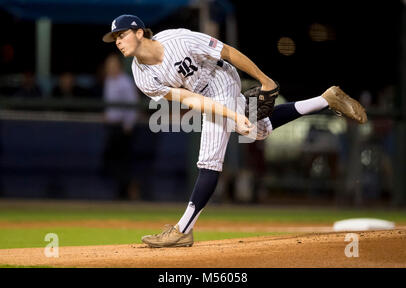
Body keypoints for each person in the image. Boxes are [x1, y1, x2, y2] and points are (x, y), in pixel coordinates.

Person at [102, 14, 367, 248]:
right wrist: (235, 117)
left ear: (139, 32)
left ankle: (183, 230)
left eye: (121, 34)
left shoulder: (178, 40)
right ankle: (326, 99)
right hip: (203, 94)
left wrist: (265, 80)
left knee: (209, 160)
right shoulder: (141, 75)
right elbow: (189, 99)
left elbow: (227, 52)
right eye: (114, 38)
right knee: (259, 130)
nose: (117, 41)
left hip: (222, 79)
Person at [102, 53, 139, 200]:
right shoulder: (108, 81)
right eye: (108, 65)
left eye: (112, 64)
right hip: (111, 127)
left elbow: (132, 105)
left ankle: (125, 193)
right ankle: (119, 192)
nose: (110, 68)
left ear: (118, 66)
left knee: (123, 162)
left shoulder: (125, 82)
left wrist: (128, 125)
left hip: (123, 128)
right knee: (111, 162)